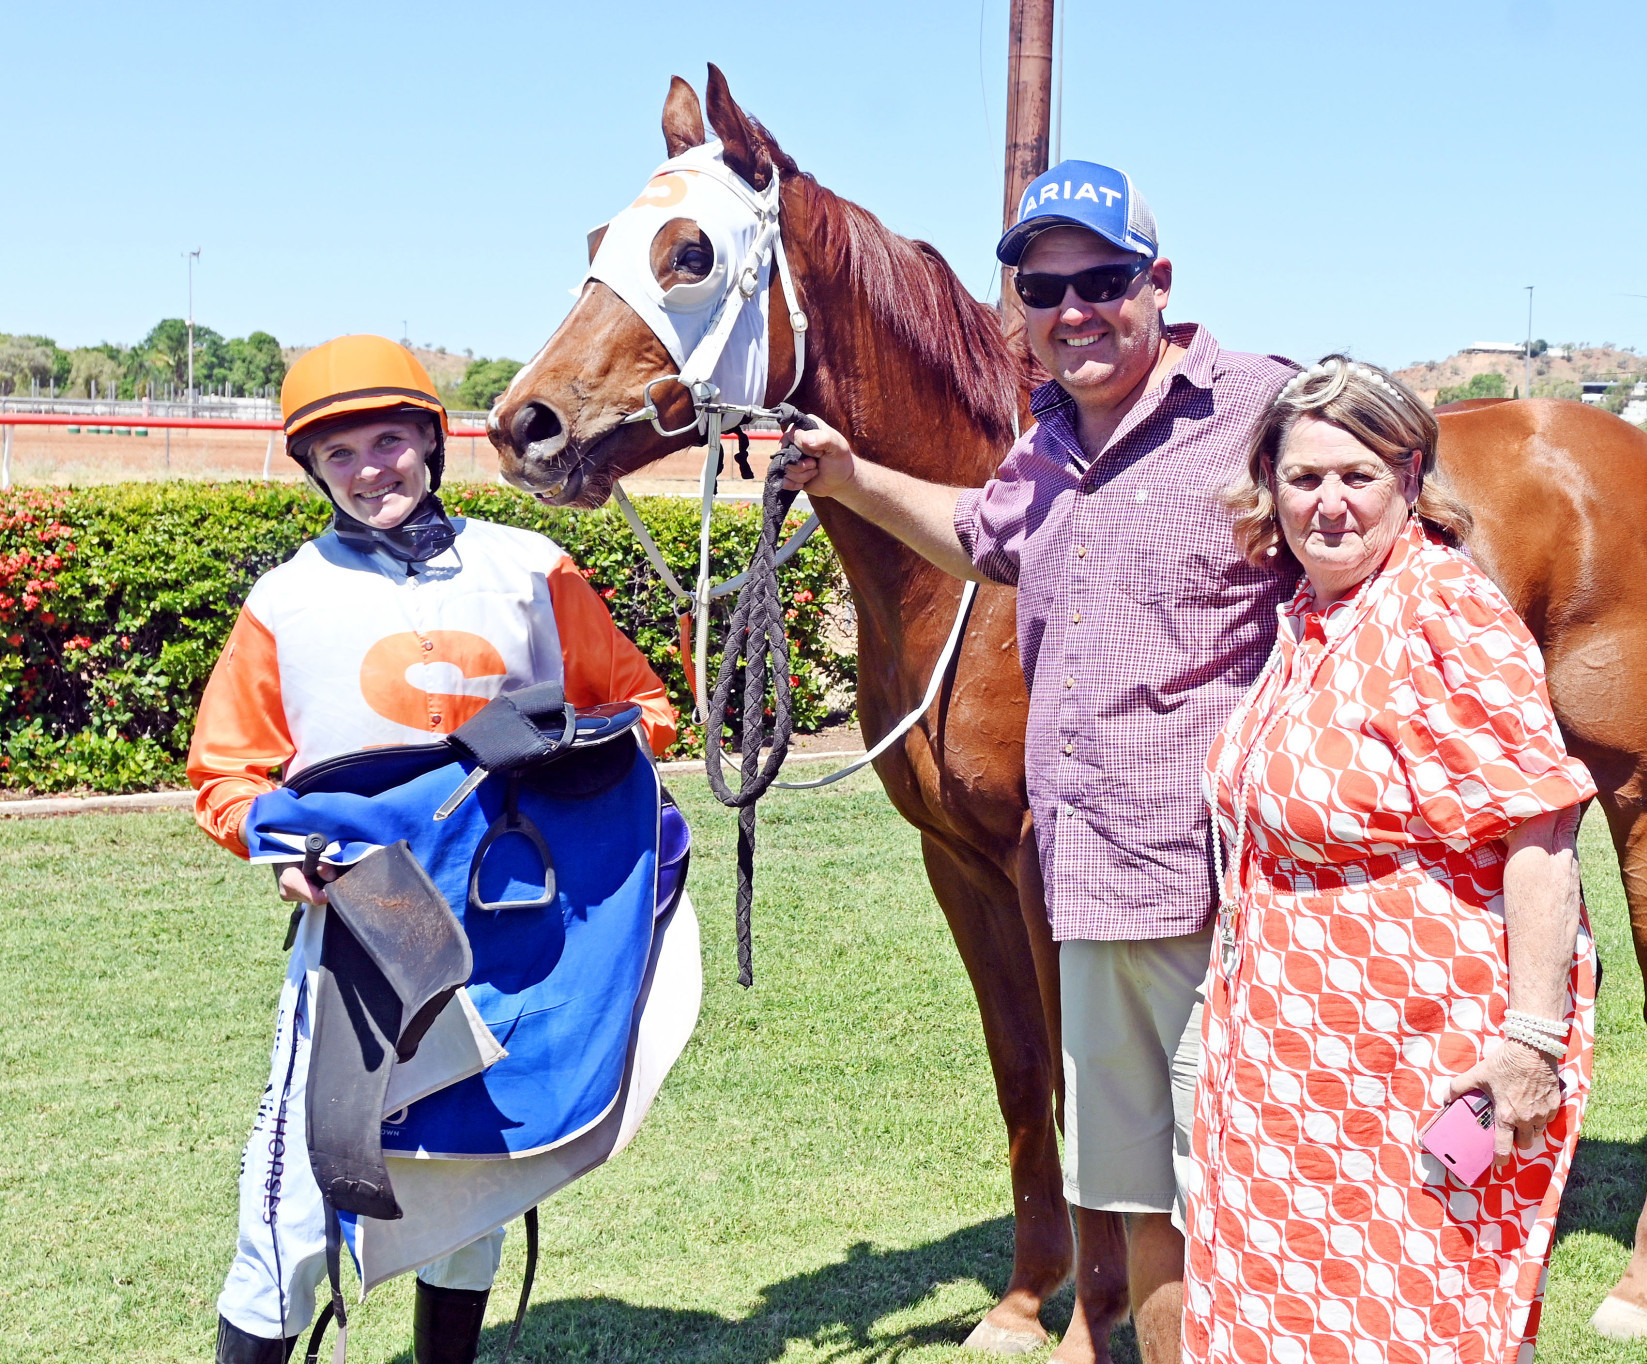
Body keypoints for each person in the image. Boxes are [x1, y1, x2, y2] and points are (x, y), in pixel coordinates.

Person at [784, 160, 1295, 1362]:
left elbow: (1387, 519)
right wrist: (847, 475)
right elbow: (975, 537)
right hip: (1088, 888)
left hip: (1221, 887)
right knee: (1141, 1198)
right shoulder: (1049, 446)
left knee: (1239, 1175)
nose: (1075, 308)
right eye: (1043, 284)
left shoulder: (1261, 405)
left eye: (1103, 279)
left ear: (1156, 284)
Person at [188, 335, 678, 1364]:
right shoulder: (284, 598)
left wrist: (549, 755)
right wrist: (281, 847)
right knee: (296, 1206)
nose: (373, 469)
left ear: (429, 441)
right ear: (314, 470)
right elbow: (226, 777)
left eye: (390, 441)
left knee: (471, 1181)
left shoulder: (528, 566)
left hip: (508, 913)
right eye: (343, 454)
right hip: (371, 914)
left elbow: (639, 712)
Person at [1182, 356, 1598, 1364]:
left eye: (1354, 475)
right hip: (1289, 1058)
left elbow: (1540, 834)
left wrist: (1530, 1042)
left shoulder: (1442, 609)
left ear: (1409, 477)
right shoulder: (1312, 617)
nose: (1326, 504)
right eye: (1302, 476)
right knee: (1283, 1317)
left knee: (1410, 1319)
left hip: (1412, 1054)